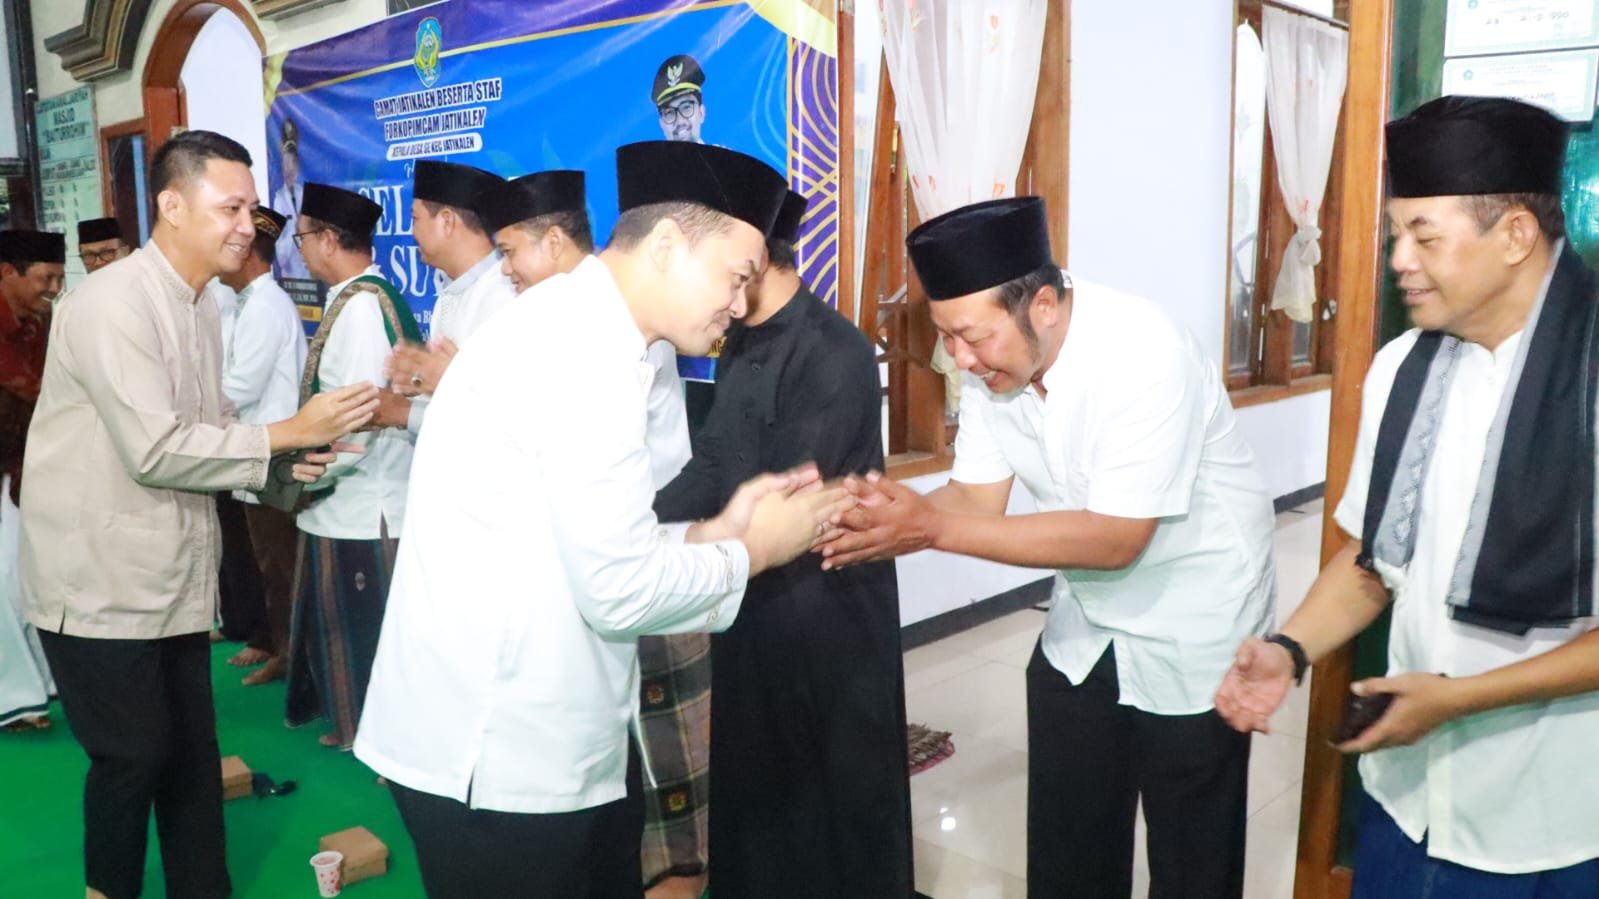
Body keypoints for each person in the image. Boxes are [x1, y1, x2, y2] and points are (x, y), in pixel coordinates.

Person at [354, 140, 852, 898]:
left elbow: (590, 539)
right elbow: (617, 590)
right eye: (737, 275)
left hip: (535, 732)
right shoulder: (581, 354)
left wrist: (713, 534)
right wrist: (752, 550)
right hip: (494, 756)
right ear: (666, 246)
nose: (740, 303)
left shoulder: (583, 331)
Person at [819, 196, 1277, 899]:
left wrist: (929, 527)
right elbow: (973, 500)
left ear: (1042, 306)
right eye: (946, 337)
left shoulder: (1145, 350)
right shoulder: (991, 368)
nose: (959, 358)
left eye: (971, 336)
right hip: (1086, 620)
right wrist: (873, 521)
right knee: (1069, 841)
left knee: (1192, 856)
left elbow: (1116, 537)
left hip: (1194, 617)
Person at [1216, 95, 1599, 897]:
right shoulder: (1401, 368)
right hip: (1405, 791)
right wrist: (1287, 648)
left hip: (1552, 819)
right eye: (1396, 234)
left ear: (1515, 235)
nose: (1398, 259)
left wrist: (1458, 700)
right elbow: (1373, 561)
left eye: (1423, 236)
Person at [17, 129, 378, 899]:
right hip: (98, 580)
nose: (248, 226)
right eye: (230, 208)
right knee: (133, 756)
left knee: (188, 757)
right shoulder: (111, 303)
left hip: (173, 574)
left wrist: (280, 465)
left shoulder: (203, 305)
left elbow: (209, 434)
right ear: (172, 206)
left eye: (251, 208)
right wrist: (289, 431)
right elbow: (155, 448)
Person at [655, 190, 914, 898]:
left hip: (827, 609)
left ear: (760, 257)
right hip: (753, 591)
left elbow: (793, 496)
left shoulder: (836, 349)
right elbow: (715, 460)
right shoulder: (738, 338)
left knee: (833, 791)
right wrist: (638, 521)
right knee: (758, 780)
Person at [284, 182, 421, 750]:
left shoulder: (362, 307)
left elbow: (361, 417)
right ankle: (360, 730)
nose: (299, 251)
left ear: (327, 238)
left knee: (367, 634)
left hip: (367, 506)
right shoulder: (357, 297)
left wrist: (308, 477)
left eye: (301, 238)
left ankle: (386, 745)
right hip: (348, 500)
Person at [216, 206, 308, 686]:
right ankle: (285, 650)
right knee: (270, 563)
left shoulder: (265, 305)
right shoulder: (247, 302)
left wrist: (187, 407)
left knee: (280, 564)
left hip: (272, 455)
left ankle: (294, 657)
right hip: (256, 451)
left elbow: (240, 387)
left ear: (248, 251)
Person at [368, 160, 514, 432]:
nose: (412, 233)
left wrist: (403, 413)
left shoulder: (503, 296)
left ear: (447, 221)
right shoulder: (452, 293)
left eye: (415, 219)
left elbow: (500, 418)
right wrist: (417, 383)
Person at [0, 229, 64, 732]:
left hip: (26, 468)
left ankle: (38, 684)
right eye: (46, 278)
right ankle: (14, 699)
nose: (54, 289)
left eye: (59, 278)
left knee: (26, 576)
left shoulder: (42, 322)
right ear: (8, 272)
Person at [273, 119, 311, 280]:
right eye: (285, 164)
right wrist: (295, 229)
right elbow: (280, 256)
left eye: (293, 164)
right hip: (291, 278)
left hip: (311, 276)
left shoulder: (304, 194)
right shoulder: (278, 200)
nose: (289, 170)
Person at [653, 54, 707, 144]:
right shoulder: (645, 154)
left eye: (686, 107)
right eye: (669, 112)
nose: (679, 120)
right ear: (662, 125)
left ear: (701, 113)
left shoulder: (723, 153)